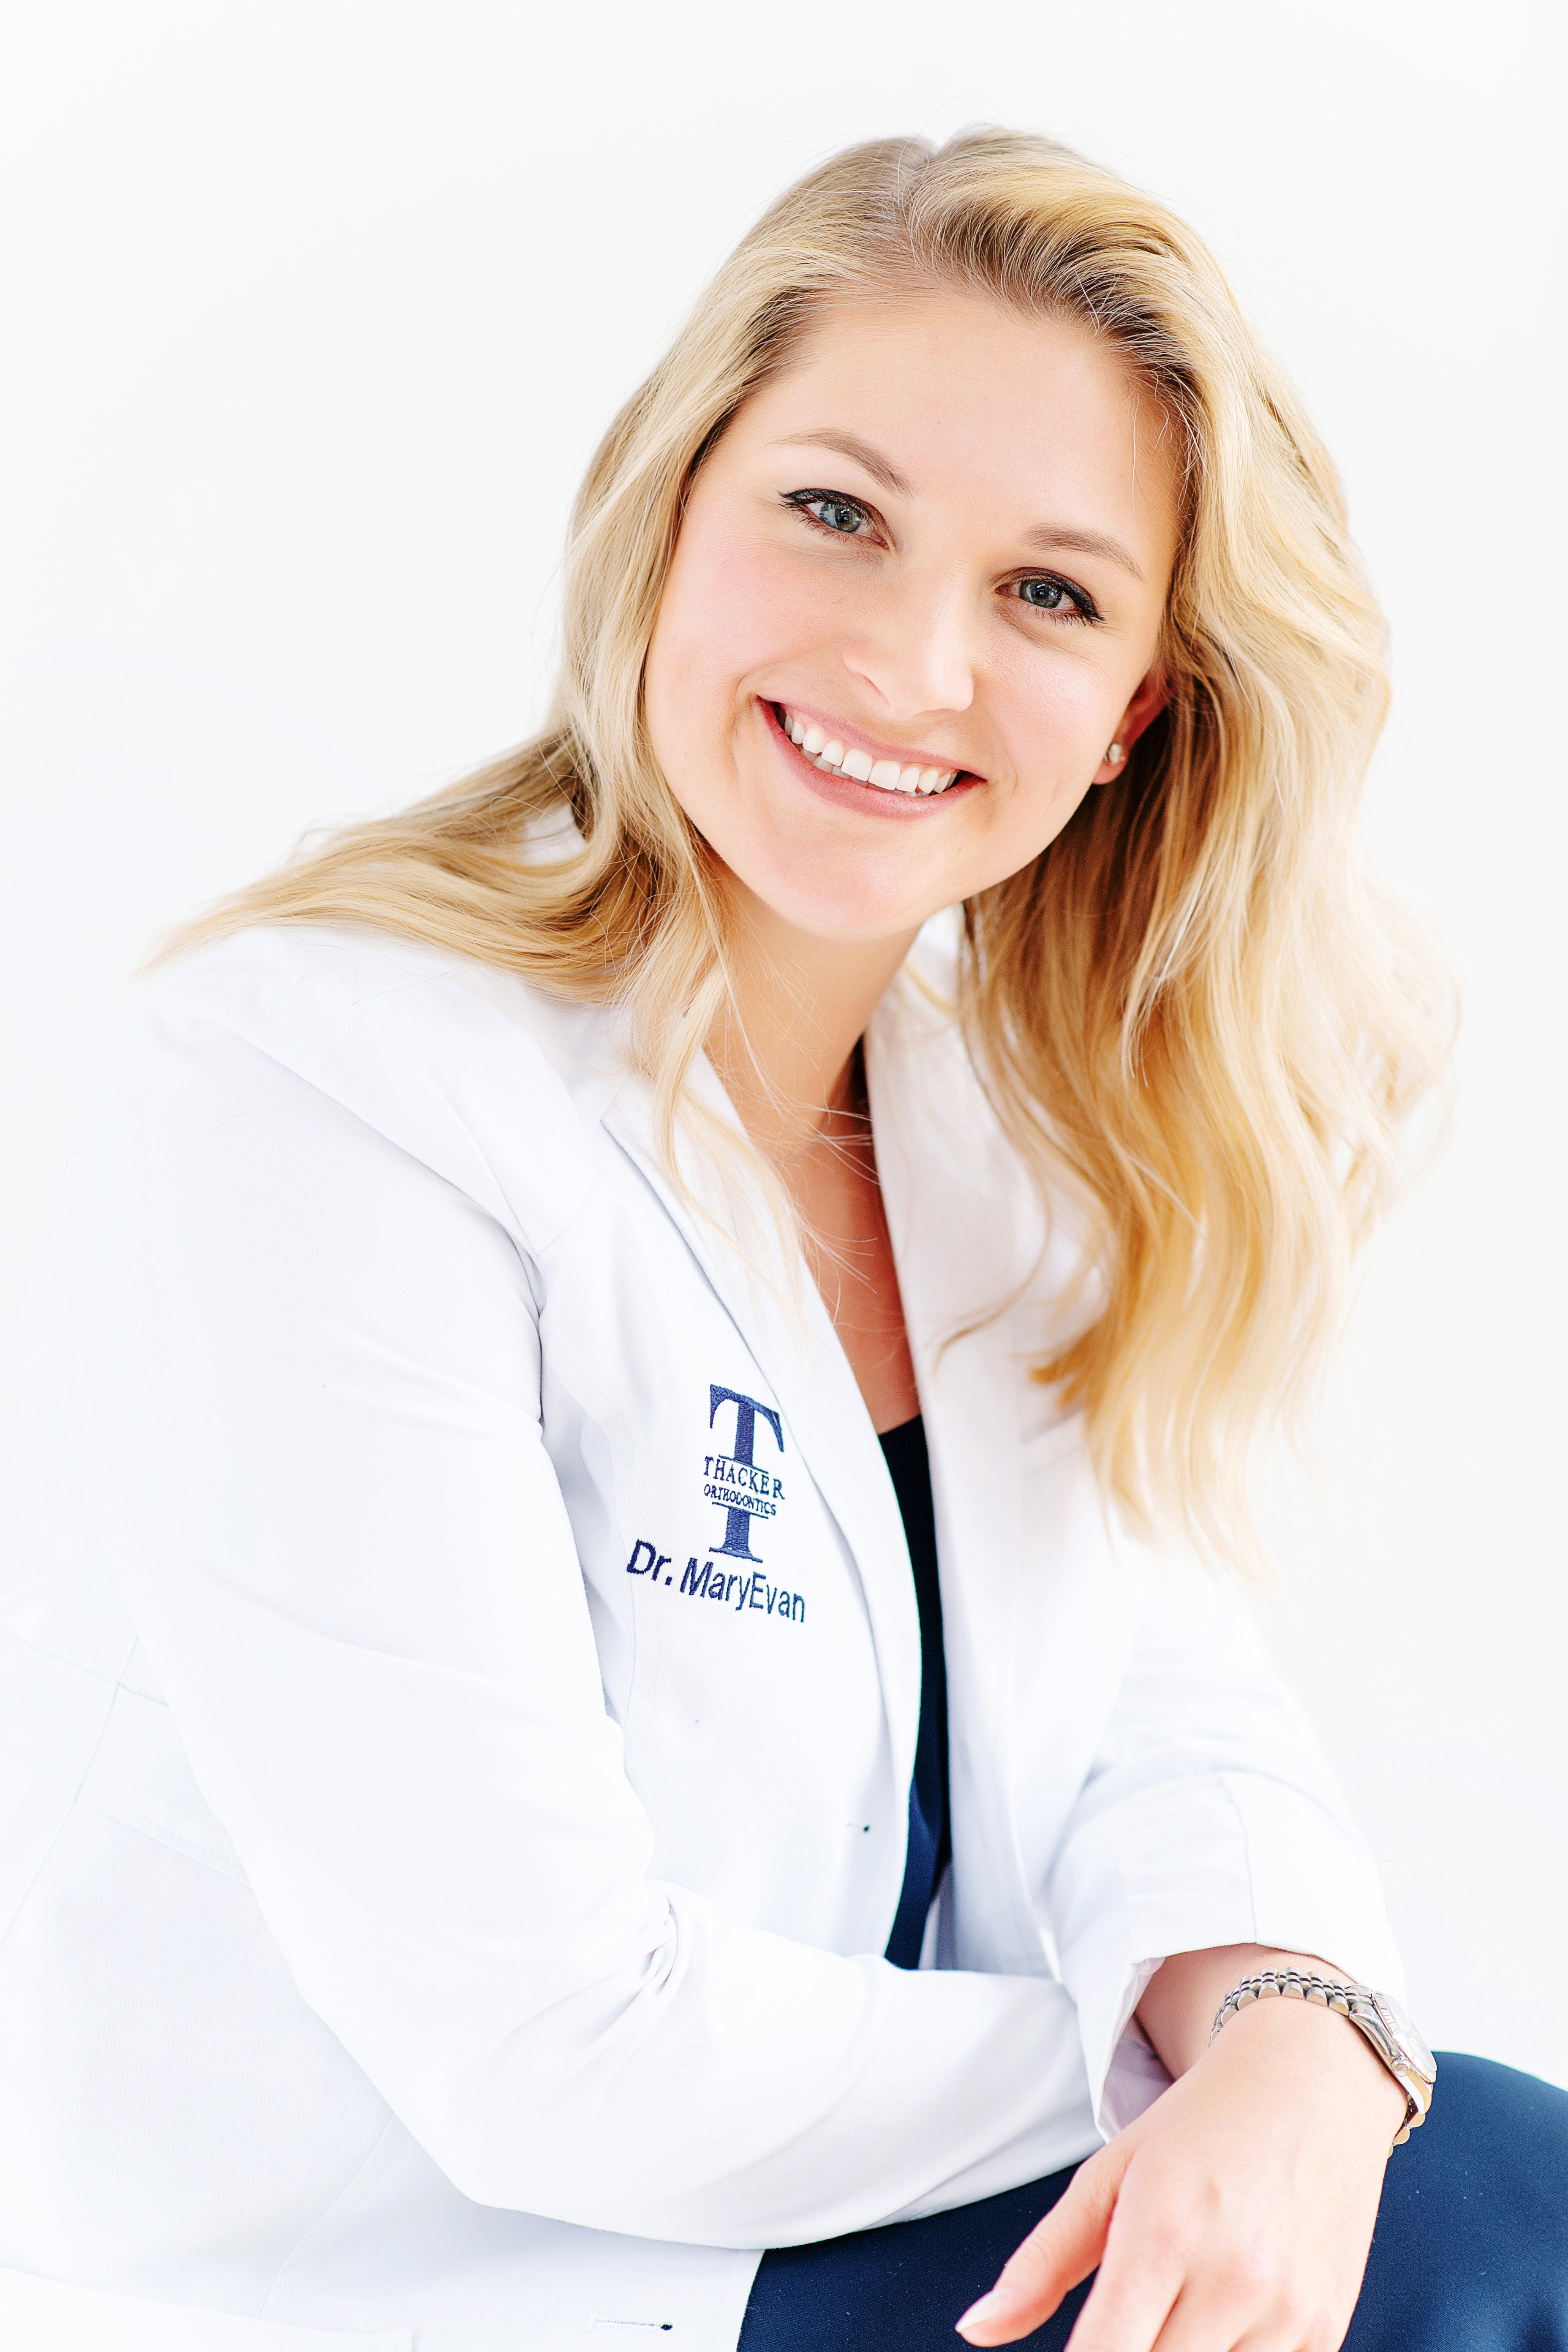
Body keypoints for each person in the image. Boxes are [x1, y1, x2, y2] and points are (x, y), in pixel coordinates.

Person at [0, 129, 1562, 2352]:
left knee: (1473, 2183)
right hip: (453, 2282)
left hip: (855, 2234)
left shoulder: (1000, 1140)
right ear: (671, 511)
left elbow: (1165, 1730)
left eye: (1051, 595)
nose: (912, 663)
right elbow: (551, 2047)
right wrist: (1193, 2091)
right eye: (838, 513)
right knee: (1485, 2221)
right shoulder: (323, 1098)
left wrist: (1298, 2031)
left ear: (1135, 714)